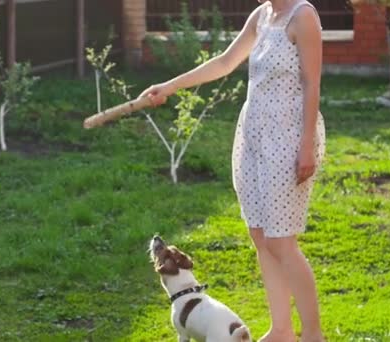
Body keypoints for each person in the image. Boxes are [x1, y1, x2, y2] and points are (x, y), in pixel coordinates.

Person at [139, 0, 326, 341]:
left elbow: (313, 83)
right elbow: (225, 62)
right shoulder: (263, 15)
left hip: (288, 138)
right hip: (253, 136)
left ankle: (313, 335)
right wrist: (169, 86)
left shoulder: (303, 16)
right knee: (261, 237)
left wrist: (306, 145)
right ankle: (282, 330)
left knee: (281, 242)